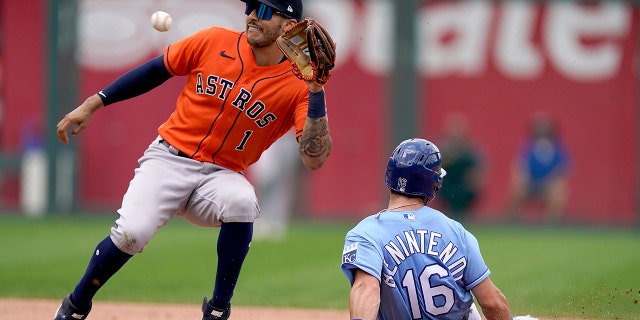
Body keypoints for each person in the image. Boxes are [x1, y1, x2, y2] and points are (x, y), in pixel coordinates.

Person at [53, 0, 333, 319]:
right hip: (168, 159)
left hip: (222, 175)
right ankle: (75, 305)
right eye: (251, 7)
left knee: (242, 201)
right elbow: (157, 69)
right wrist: (94, 102)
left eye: (265, 11)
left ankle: (218, 308)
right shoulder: (214, 40)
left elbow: (314, 158)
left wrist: (315, 91)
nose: (253, 16)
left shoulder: (299, 86)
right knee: (131, 233)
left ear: (288, 25)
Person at [341, 138, 512, 320]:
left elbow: (366, 288)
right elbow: (492, 303)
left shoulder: (366, 233)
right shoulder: (457, 231)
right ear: (434, 183)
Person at [506, 113, 570, 224]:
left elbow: (563, 170)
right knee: (517, 189)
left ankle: (550, 224)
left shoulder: (559, 148)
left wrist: (552, 182)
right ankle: (514, 221)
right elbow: (520, 166)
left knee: (559, 192)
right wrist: (523, 179)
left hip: (549, 186)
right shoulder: (528, 146)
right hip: (530, 184)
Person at [436, 113, 482, 222]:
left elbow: (478, 169)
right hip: (446, 185)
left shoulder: (471, 150)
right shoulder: (442, 149)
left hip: (464, 186)